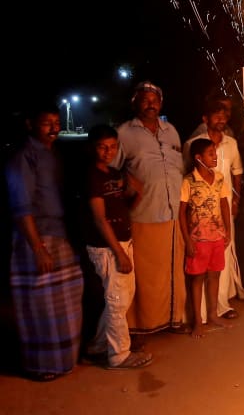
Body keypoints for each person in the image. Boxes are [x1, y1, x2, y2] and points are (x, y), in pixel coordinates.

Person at [4, 104, 84, 381]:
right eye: (46, 122)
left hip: (59, 234)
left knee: (66, 304)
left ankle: (63, 362)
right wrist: (38, 248)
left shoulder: (54, 155)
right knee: (41, 308)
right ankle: (41, 366)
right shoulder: (23, 157)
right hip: (36, 239)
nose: (53, 127)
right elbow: (21, 206)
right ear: (30, 124)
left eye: (55, 122)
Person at [111, 81, 189, 335]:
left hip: (172, 213)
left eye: (155, 100)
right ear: (135, 103)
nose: (151, 104)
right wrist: (126, 181)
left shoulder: (171, 131)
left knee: (171, 272)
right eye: (145, 100)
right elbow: (111, 170)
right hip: (143, 215)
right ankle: (140, 327)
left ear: (161, 103)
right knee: (145, 277)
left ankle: (173, 319)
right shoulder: (124, 133)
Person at [82, 125, 153, 369]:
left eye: (112, 147)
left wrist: (137, 192)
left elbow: (125, 206)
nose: (107, 151)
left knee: (121, 299)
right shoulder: (91, 176)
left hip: (122, 242)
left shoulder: (113, 174)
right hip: (107, 248)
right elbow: (99, 218)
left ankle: (98, 345)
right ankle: (119, 354)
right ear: (93, 147)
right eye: (102, 147)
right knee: (116, 300)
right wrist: (119, 252)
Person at [183, 98, 244, 321]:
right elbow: (187, 174)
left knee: (223, 258)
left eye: (224, 115)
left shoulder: (231, 143)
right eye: (216, 115)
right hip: (201, 216)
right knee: (200, 262)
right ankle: (198, 313)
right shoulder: (195, 143)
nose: (221, 119)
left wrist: (236, 200)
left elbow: (237, 172)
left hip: (224, 206)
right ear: (205, 119)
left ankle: (221, 305)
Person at [179, 138, 234, 338]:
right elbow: (181, 212)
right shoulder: (189, 181)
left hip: (217, 237)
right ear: (198, 158)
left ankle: (212, 314)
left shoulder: (219, 178)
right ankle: (197, 322)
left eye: (215, 153)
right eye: (211, 154)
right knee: (197, 279)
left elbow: (224, 204)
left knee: (214, 276)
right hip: (198, 240)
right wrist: (187, 240)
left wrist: (227, 230)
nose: (215, 157)